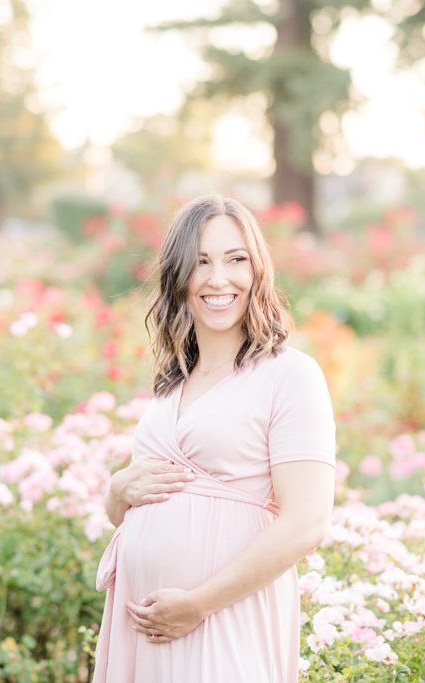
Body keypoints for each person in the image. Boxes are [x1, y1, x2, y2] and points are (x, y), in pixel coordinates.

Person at [92, 194, 336, 682]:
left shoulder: (290, 374)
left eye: (235, 259)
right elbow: (136, 503)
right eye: (201, 262)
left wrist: (198, 605)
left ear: (257, 271)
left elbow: (307, 523)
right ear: (179, 277)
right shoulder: (174, 381)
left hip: (224, 619)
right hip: (144, 632)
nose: (218, 278)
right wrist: (117, 491)